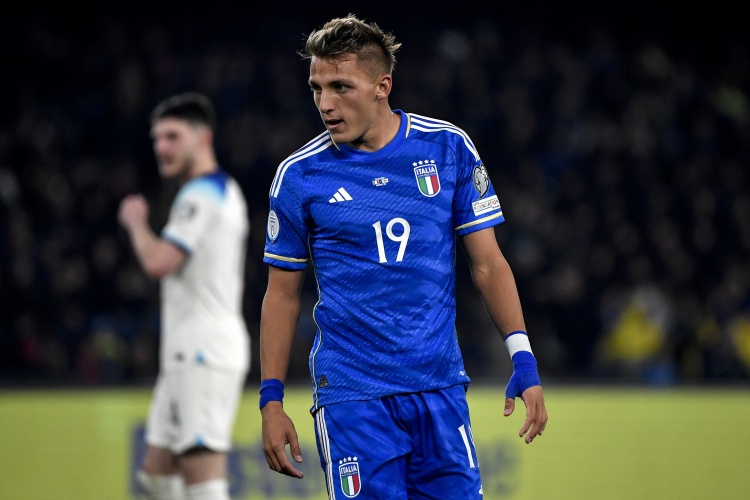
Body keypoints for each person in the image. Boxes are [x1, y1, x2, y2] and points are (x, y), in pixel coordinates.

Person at [259, 14, 548, 499]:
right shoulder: (300, 176)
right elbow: (282, 295)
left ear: (382, 86)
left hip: (438, 386)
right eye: (317, 89)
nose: (325, 104)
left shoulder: (447, 148)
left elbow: (488, 264)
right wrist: (271, 400)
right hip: (352, 396)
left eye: (341, 87)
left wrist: (523, 358)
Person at [118, 92, 250, 500]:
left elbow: (160, 261)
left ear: (203, 138)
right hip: (187, 353)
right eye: (157, 139)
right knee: (157, 475)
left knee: (202, 476)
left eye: (173, 136)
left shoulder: (201, 194)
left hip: (203, 352)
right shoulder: (218, 191)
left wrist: (136, 224)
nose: (162, 147)